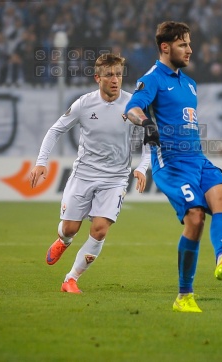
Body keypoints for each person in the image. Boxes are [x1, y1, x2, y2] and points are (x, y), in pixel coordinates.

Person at [124, 21, 222, 313]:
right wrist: (146, 123)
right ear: (165, 47)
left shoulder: (190, 84)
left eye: (190, 44)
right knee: (194, 218)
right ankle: (184, 296)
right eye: (183, 44)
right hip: (172, 164)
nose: (190, 50)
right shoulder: (152, 78)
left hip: (197, 159)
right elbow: (131, 107)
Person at [29, 53, 150, 293]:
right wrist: (41, 162)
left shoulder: (132, 105)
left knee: (100, 229)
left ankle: (70, 279)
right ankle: (64, 240)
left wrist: (142, 167)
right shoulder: (84, 104)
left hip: (115, 179)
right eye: (109, 75)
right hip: (83, 175)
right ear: (98, 78)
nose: (115, 79)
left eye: (118, 74)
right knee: (70, 228)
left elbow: (150, 139)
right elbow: (55, 131)